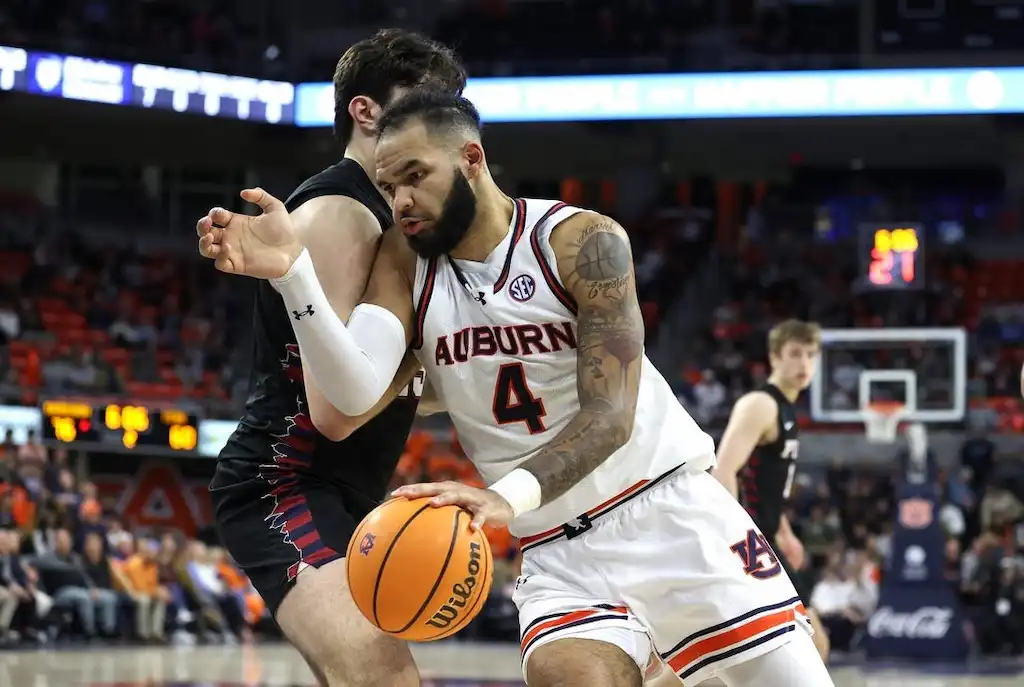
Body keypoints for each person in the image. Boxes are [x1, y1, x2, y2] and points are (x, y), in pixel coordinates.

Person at [196, 89, 832, 687]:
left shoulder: (581, 240)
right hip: (558, 551)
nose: (402, 201)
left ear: (472, 159)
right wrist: (294, 275)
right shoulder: (404, 260)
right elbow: (354, 394)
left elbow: (610, 414)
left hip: (668, 513)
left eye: (416, 176)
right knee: (565, 674)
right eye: (389, 187)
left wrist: (503, 498)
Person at [206, 30, 465, 687]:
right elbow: (335, 410)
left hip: (345, 490)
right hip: (284, 482)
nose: (439, 123)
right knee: (386, 678)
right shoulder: (342, 212)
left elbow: (392, 386)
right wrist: (417, 364)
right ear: (365, 111)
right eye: (424, 103)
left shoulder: (393, 216)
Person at [712, 319, 831, 661]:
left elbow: (766, 486)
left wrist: (784, 532)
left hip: (764, 538)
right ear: (775, 357)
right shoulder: (761, 405)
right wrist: (738, 542)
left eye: (811, 354)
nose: (804, 363)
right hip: (748, 544)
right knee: (813, 644)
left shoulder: (786, 410)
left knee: (719, 656)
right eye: (795, 353)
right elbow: (724, 471)